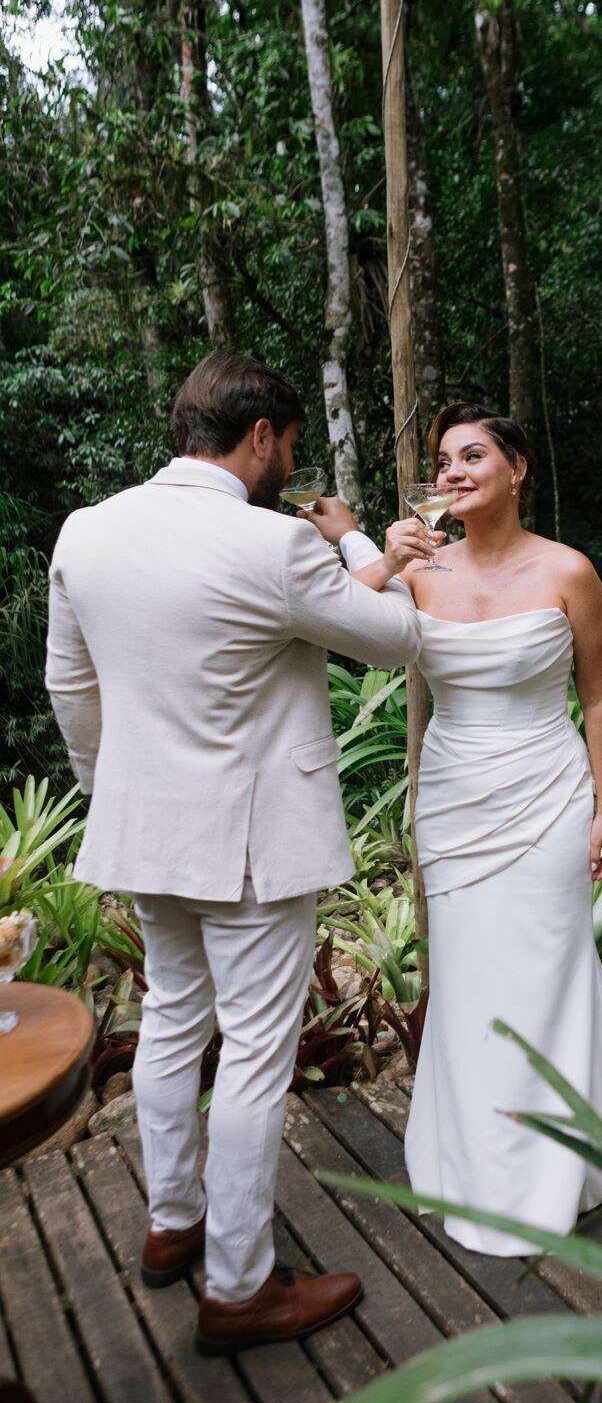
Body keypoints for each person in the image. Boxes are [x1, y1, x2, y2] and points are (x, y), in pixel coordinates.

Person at [45, 351, 422, 1354]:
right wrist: (352, 544)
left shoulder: (87, 531)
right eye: (287, 446)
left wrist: (110, 789)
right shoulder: (273, 543)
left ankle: (173, 1224)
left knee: (172, 1021)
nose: (286, 464)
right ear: (259, 437)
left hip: (144, 831)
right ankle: (241, 1287)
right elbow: (393, 638)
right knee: (254, 1052)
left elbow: (69, 688)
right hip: (254, 843)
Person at [306, 403, 602, 1256]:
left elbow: (599, 697)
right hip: (453, 800)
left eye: (472, 456)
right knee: (469, 977)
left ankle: (556, 1163)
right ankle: (478, 1159)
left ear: (516, 469)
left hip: (547, 793)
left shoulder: (567, 571)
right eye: (442, 461)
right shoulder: (421, 571)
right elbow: (342, 621)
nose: (452, 472)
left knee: (543, 971)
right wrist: (373, 549)